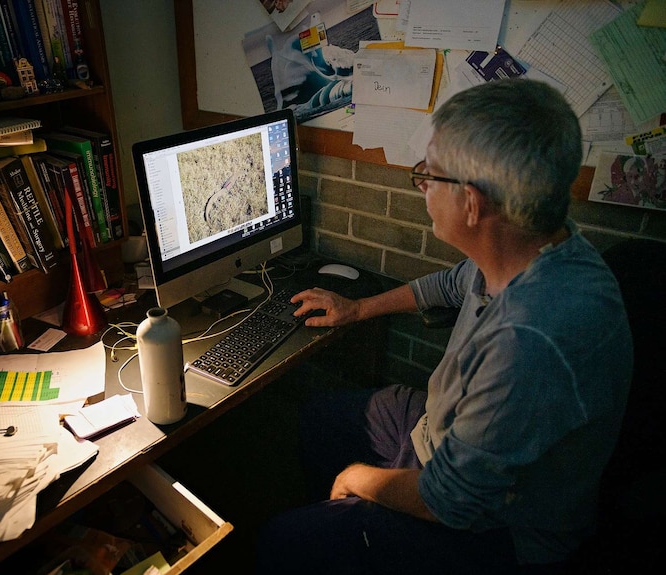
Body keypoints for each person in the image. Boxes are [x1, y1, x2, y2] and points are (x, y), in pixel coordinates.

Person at [255, 79, 633, 574]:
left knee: (279, 544)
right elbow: (450, 286)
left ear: (472, 204)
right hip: (442, 434)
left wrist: (356, 480)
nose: (422, 186)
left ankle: (350, 533)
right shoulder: (527, 243)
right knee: (320, 418)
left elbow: (446, 501)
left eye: (428, 175)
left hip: (497, 532)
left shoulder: (531, 340)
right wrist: (358, 308)